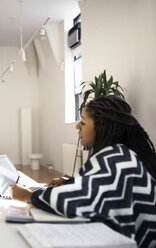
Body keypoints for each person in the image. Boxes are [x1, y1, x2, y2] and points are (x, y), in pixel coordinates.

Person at [10, 96, 156, 247]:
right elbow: (103, 188)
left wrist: (28, 195)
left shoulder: (116, 156)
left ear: (102, 127)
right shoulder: (120, 152)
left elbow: (81, 197)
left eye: (83, 122)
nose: (77, 126)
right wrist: (70, 183)